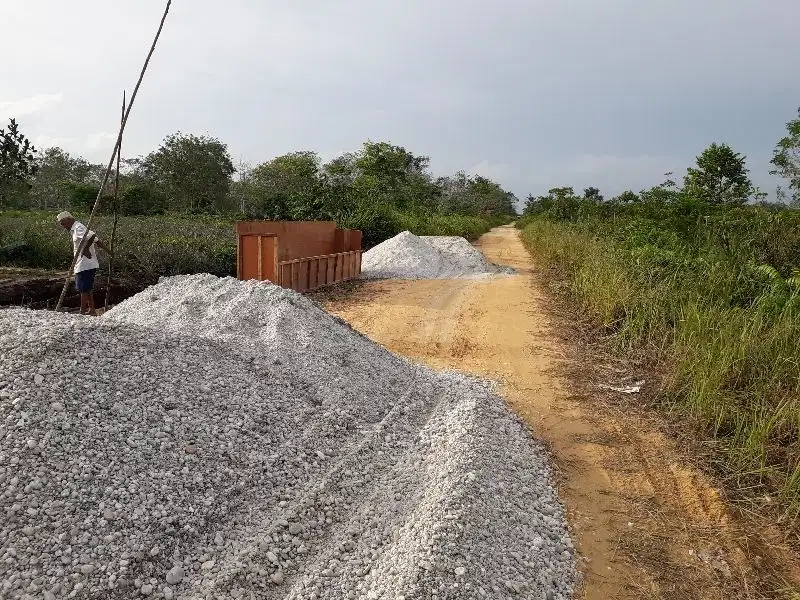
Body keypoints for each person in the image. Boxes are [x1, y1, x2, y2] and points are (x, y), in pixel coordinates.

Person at [57, 211, 112, 316]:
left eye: (63, 223)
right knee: (87, 288)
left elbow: (92, 236)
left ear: (68, 219)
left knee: (83, 288)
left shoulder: (78, 227)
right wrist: (108, 251)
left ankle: (82, 311)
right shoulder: (76, 228)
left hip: (85, 263)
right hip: (84, 263)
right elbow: (96, 240)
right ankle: (92, 310)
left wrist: (85, 249)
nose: (63, 226)